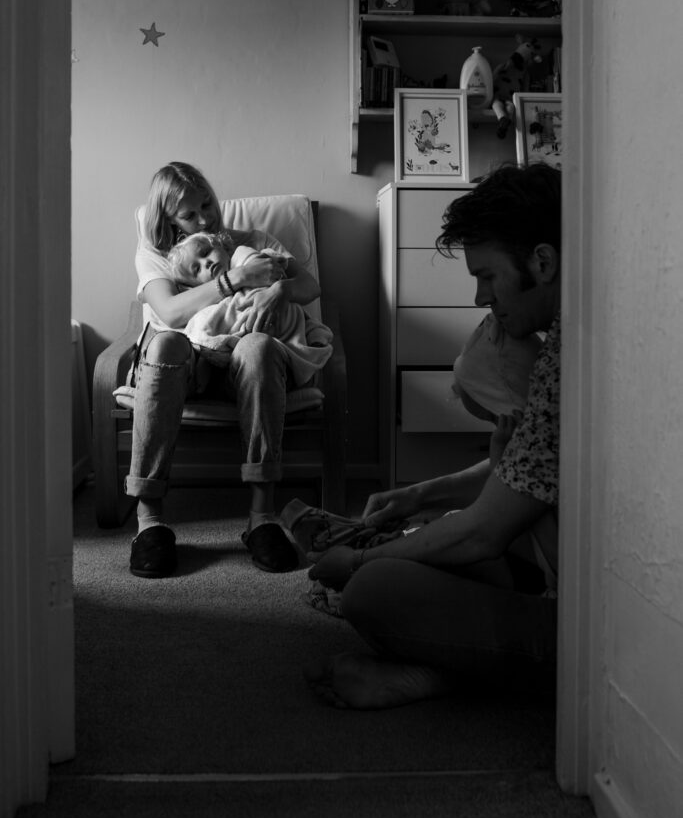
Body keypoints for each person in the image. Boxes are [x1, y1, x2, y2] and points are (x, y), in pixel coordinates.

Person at [306, 162, 561, 710]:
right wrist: (420, 494)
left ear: (542, 262)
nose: (479, 299)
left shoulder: (570, 361)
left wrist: (356, 565)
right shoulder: (565, 340)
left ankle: (448, 675)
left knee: (378, 589)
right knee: (430, 532)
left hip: (592, 624)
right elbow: (526, 476)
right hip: (542, 552)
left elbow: (484, 532)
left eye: (487, 276)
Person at [127, 162, 322, 579]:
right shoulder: (158, 255)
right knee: (163, 341)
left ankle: (262, 517)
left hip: (245, 358)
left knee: (258, 345)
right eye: (189, 214)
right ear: (168, 220)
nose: (205, 217)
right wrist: (235, 279)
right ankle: (149, 523)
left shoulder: (252, 242)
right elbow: (169, 311)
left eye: (207, 204)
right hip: (185, 363)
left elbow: (310, 288)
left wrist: (279, 290)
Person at [166, 230, 332, 382]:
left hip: (278, 333)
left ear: (223, 247)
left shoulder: (241, 256)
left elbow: (271, 270)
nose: (206, 263)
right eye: (197, 269)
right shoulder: (209, 300)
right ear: (194, 286)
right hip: (244, 354)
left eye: (206, 252)